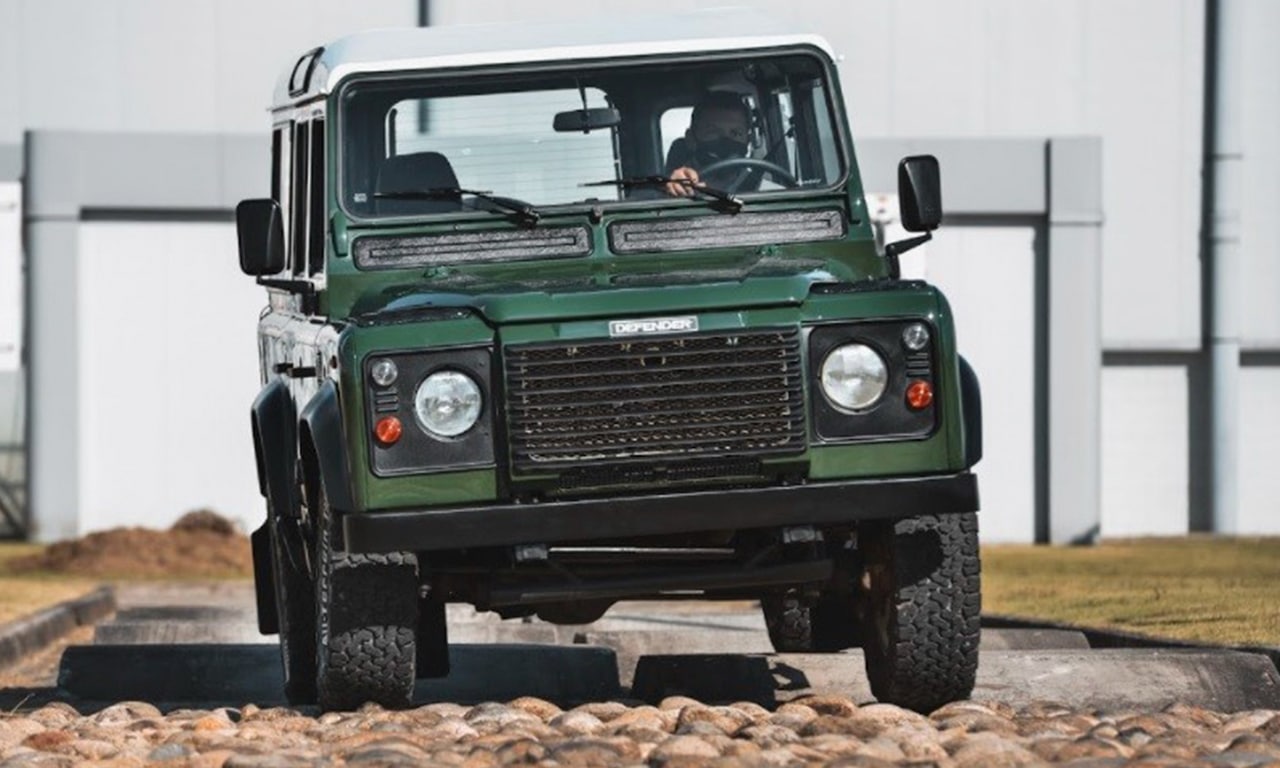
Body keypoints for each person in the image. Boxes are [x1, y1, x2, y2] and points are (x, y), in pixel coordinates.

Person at [663, 91, 753, 197]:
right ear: (691, 138)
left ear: (748, 140)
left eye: (736, 133)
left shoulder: (768, 189)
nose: (726, 141)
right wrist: (672, 189)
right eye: (713, 132)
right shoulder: (672, 184)